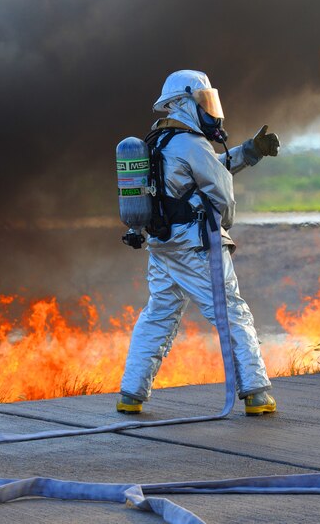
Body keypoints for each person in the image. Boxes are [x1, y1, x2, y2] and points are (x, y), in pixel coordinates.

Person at [117, 70, 280, 416]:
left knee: (158, 315)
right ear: (183, 103)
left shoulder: (158, 141)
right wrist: (225, 225)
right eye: (203, 101)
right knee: (232, 312)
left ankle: (130, 394)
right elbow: (220, 191)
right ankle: (255, 392)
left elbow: (204, 170)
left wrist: (250, 151)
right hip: (196, 247)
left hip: (163, 248)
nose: (210, 109)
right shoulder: (191, 143)